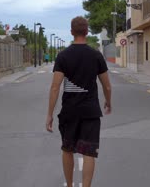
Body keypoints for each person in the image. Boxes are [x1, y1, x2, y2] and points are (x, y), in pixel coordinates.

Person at [46, 16, 112, 187]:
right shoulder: (96, 55)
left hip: (69, 112)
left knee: (67, 149)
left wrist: (49, 115)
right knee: (89, 152)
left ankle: (69, 185)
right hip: (90, 111)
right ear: (87, 31)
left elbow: (55, 87)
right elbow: (107, 86)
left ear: (71, 32)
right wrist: (108, 101)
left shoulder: (63, 56)